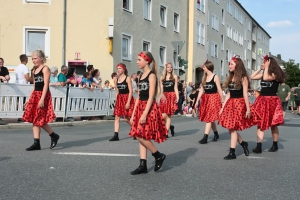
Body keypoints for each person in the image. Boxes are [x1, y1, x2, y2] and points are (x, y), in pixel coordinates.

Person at [129, 51, 167, 175]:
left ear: (147, 61)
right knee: (141, 135)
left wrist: (145, 114)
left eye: (139, 59)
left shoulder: (151, 75)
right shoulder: (140, 76)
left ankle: (158, 155)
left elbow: (151, 97)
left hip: (148, 107)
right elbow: (139, 95)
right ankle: (143, 164)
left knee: (139, 134)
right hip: (140, 106)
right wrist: (134, 113)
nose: (137, 62)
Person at [22, 50, 59, 151]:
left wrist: (42, 99)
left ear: (41, 58)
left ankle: (53, 135)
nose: (33, 60)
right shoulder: (34, 70)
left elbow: (46, 84)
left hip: (43, 95)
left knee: (38, 119)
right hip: (35, 95)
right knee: (35, 118)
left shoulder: (45, 68)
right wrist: (29, 99)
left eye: (35, 58)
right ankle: (37, 142)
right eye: (32, 59)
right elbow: (34, 86)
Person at [218, 56, 252, 160]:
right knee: (230, 129)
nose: (229, 65)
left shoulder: (243, 78)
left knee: (232, 129)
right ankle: (243, 143)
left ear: (237, 66)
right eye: (229, 63)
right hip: (230, 104)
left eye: (232, 64)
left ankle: (232, 152)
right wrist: (222, 107)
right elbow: (228, 93)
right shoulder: (231, 77)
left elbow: (245, 94)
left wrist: (248, 109)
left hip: (239, 104)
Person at [250, 55, 286, 153]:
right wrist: (260, 68)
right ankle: (259, 146)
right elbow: (252, 77)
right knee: (260, 123)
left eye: (264, 62)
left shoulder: (275, 75)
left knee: (273, 124)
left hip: (272, 101)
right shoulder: (264, 73)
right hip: (262, 100)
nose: (262, 63)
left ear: (269, 63)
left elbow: (266, 77)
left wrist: (266, 67)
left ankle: (275, 144)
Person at [195, 60, 224, 144]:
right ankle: (216, 134)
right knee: (210, 119)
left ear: (208, 67)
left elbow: (219, 89)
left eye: (204, 67)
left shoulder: (215, 77)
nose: (203, 68)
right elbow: (201, 90)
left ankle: (205, 137)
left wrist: (222, 100)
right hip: (206, 99)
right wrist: (197, 101)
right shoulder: (204, 78)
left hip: (213, 98)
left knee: (209, 117)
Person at [109, 63, 135, 141]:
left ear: (124, 69)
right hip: (120, 99)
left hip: (127, 98)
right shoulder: (116, 79)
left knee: (127, 118)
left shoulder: (127, 78)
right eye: (117, 68)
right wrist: (116, 101)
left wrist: (128, 102)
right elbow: (117, 91)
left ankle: (136, 129)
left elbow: (130, 91)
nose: (118, 70)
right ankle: (116, 135)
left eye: (120, 68)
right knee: (117, 117)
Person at [159, 62, 179, 137]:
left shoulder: (174, 77)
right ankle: (170, 126)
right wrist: (161, 96)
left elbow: (175, 88)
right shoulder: (162, 77)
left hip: (171, 96)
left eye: (171, 67)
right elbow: (161, 89)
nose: (169, 69)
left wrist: (177, 97)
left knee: (168, 115)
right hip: (164, 96)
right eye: (168, 67)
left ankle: (166, 132)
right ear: (165, 68)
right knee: (162, 115)